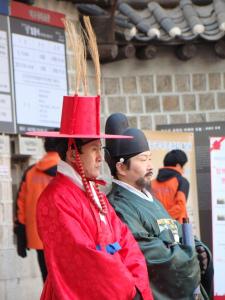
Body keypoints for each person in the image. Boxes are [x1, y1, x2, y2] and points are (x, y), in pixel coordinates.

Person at [26, 96, 153, 300]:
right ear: (72, 153)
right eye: (94, 149)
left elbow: (125, 240)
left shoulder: (94, 193)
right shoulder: (56, 199)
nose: (100, 157)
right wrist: (128, 288)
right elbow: (83, 259)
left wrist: (136, 284)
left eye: (99, 149)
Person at [105, 113, 213, 300]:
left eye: (149, 158)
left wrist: (198, 247)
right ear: (121, 168)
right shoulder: (118, 205)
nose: (150, 166)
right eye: (142, 159)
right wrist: (190, 257)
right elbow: (149, 254)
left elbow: (174, 228)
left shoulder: (148, 196)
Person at [14, 136, 60, 282]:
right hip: (63, 238)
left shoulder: (31, 172)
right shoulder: (67, 172)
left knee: (47, 281)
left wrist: (21, 235)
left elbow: (20, 206)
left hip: (38, 238)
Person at [151, 149, 189, 223]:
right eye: (183, 166)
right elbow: (180, 208)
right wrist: (164, 220)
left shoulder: (151, 183)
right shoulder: (182, 182)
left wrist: (159, 221)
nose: (183, 169)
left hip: (155, 228)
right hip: (176, 228)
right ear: (178, 166)